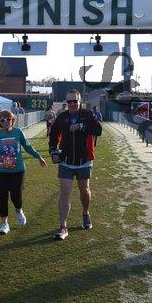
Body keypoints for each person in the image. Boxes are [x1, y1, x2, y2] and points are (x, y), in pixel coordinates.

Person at [0, 110, 47, 234]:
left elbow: (27, 146)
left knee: (16, 195)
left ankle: (19, 210)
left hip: (17, 170)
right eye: (2, 120)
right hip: (0, 171)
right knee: (2, 198)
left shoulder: (18, 132)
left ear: (13, 120)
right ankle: (4, 224)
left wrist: (38, 156)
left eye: (8, 119)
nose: (5, 121)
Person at [49, 89, 102, 240]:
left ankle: (85, 213)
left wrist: (81, 126)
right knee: (64, 192)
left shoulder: (88, 115)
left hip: (84, 160)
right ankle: (63, 226)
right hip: (65, 161)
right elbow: (53, 135)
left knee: (84, 190)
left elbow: (98, 130)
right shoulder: (62, 117)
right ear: (66, 102)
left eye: (75, 101)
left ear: (80, 101)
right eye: (69, 101)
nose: (72, 104)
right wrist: (53, 151)